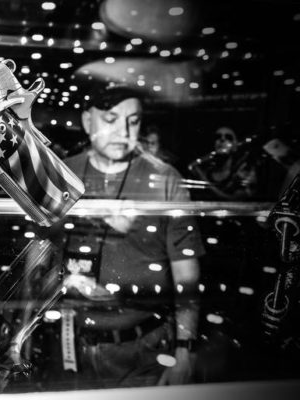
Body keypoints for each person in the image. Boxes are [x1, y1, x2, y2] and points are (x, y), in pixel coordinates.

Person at [46, 83, 205, 388]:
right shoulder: (64, 173)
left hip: (142, 349)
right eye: (111, 119)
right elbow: (43, 249)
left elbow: (186, 271)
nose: (124, 131)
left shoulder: (164, 179)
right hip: (70, 340)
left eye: (133, 121)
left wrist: (185, 349)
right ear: (88, 121)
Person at [188, 126, 259, 200]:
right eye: (217, 137)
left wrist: (203, 178)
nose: (222, 139)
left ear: (235, 145)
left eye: (228, 137)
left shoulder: (243, 172)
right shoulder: (205, 171)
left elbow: (235, 200)